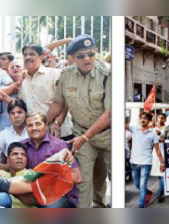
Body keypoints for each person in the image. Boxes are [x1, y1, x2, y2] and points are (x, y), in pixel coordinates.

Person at [46, 35, 111, 208]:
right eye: (81, 56)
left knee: (111, 178)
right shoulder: (66, 76)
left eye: (91, 53)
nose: (87, 58)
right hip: (82, 133)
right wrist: (42, 123)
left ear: (95, 51)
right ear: (73, 58)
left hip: (109, 135)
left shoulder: (108, 74)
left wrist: (85, 138)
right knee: (82, 183)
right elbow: (58, 103)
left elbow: (109, 114)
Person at [21, 112, 81, 208]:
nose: (34, 128)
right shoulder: (22, 146)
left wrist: (46, 179)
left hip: (61, 196)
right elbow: (11, 169)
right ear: (26, 128)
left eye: (38, 124)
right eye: (30, 125)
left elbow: (77, 177)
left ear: (45, 125)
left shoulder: (59, 145)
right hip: (34, 193)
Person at [125, 112, 163, 208]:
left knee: (142, 185)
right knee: (137, 184)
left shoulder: (153, 133)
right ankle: (149, 192)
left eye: (145, 118)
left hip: (146, 162)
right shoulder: (134, 129)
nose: (142, 119)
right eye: (141, 118)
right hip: (134, 162)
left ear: (149, 121)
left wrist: (162, 163)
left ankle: (141, 206)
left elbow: (157, 149)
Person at [0, 142, 34, 208]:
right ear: (8, 160)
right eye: (15, 154)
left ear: (26, 161)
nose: (20, 157)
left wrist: (8, 187)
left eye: (23, 155)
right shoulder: (0, 174)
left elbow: (35, 201)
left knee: (2, 196)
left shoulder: (31, 175)